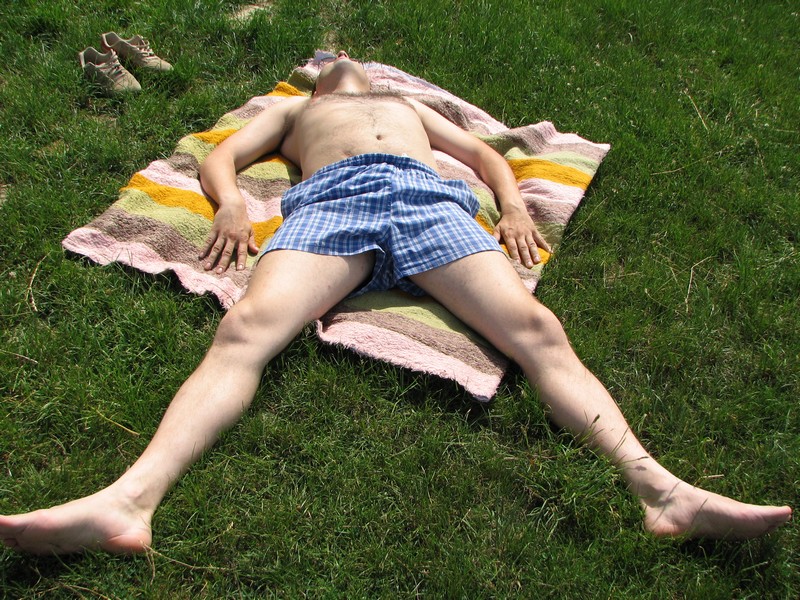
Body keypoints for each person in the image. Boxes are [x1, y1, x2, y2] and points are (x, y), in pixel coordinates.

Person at [0, 52, 791, 555]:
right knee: (245, 329)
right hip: (330, 205)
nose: (345, 60)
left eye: (354, 59)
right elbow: (225, 156)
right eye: (331, 60)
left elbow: (483, 155)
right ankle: (129, 501)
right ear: (317, 79)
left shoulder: (412, 107)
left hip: (430, 203)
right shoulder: (296, 108)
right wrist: (233, 204)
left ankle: (662, 492)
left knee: (537, 330)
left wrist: (515, 206)